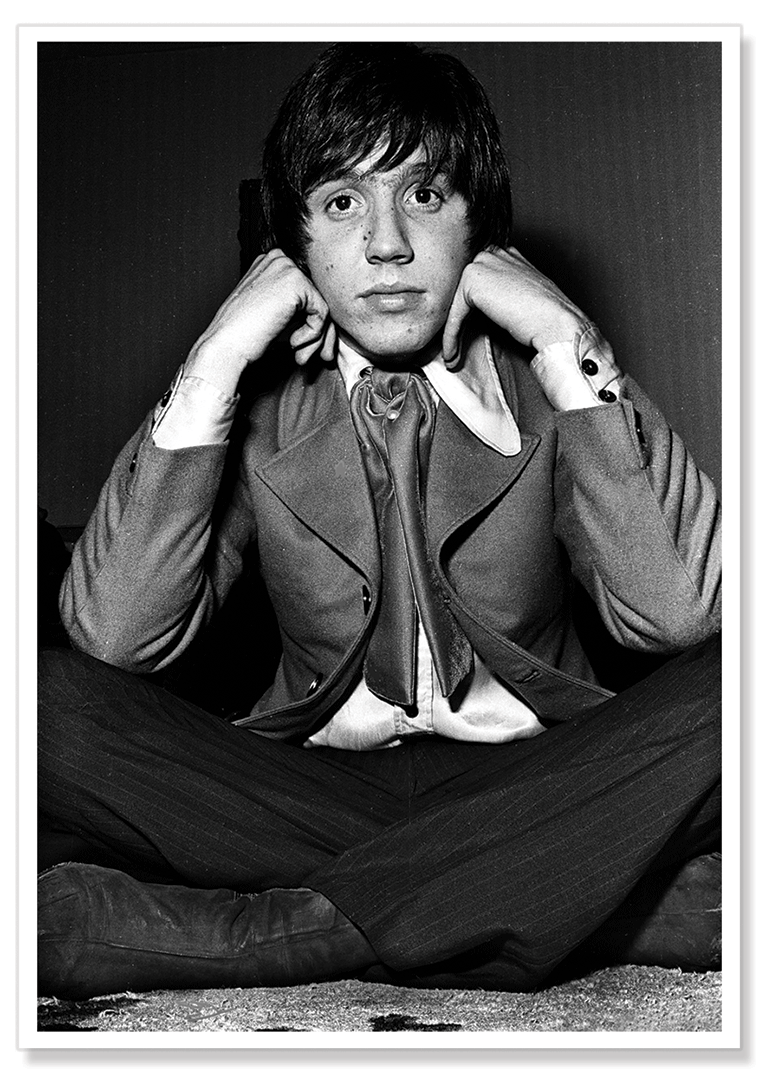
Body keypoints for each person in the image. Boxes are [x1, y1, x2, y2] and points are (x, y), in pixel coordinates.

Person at [38, 42, 721, 1000]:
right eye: (342, 202)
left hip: (544, 774)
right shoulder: (261, 402)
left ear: (481, 226)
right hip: (304, 788)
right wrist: (217, 357)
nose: (388, 245)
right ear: (296, 241)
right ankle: (564, 898)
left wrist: (570, 343)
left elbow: (678, 617)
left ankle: (275, 930)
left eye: (426, 195)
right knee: (37, 705)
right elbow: (114, 637)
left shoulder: (549, 385)